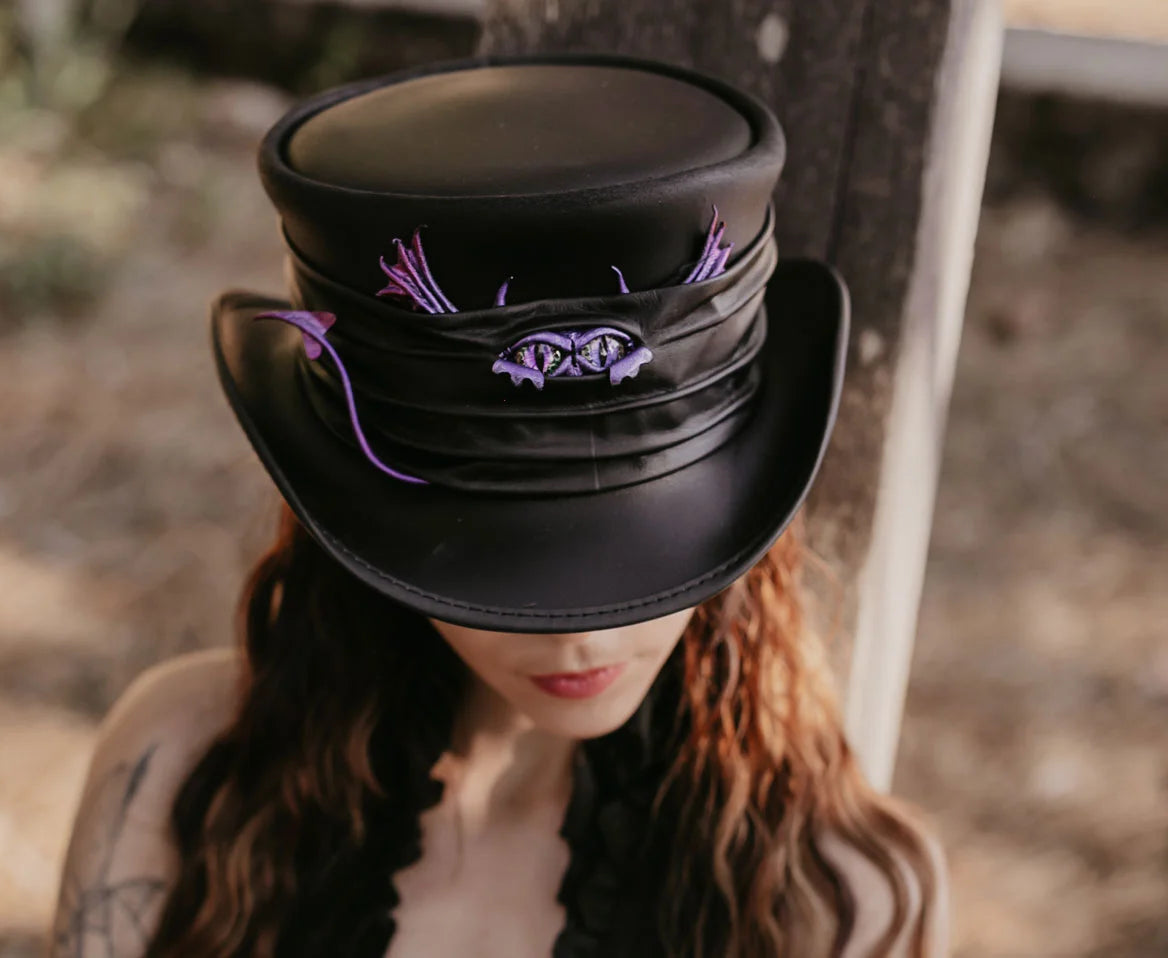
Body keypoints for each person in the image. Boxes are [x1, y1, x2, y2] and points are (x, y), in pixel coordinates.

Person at [51, 54, 948, 957]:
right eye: (502, 560)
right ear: (353, 508)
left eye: (650, 555)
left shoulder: (841, 899)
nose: (583, 638)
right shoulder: (182, 778)